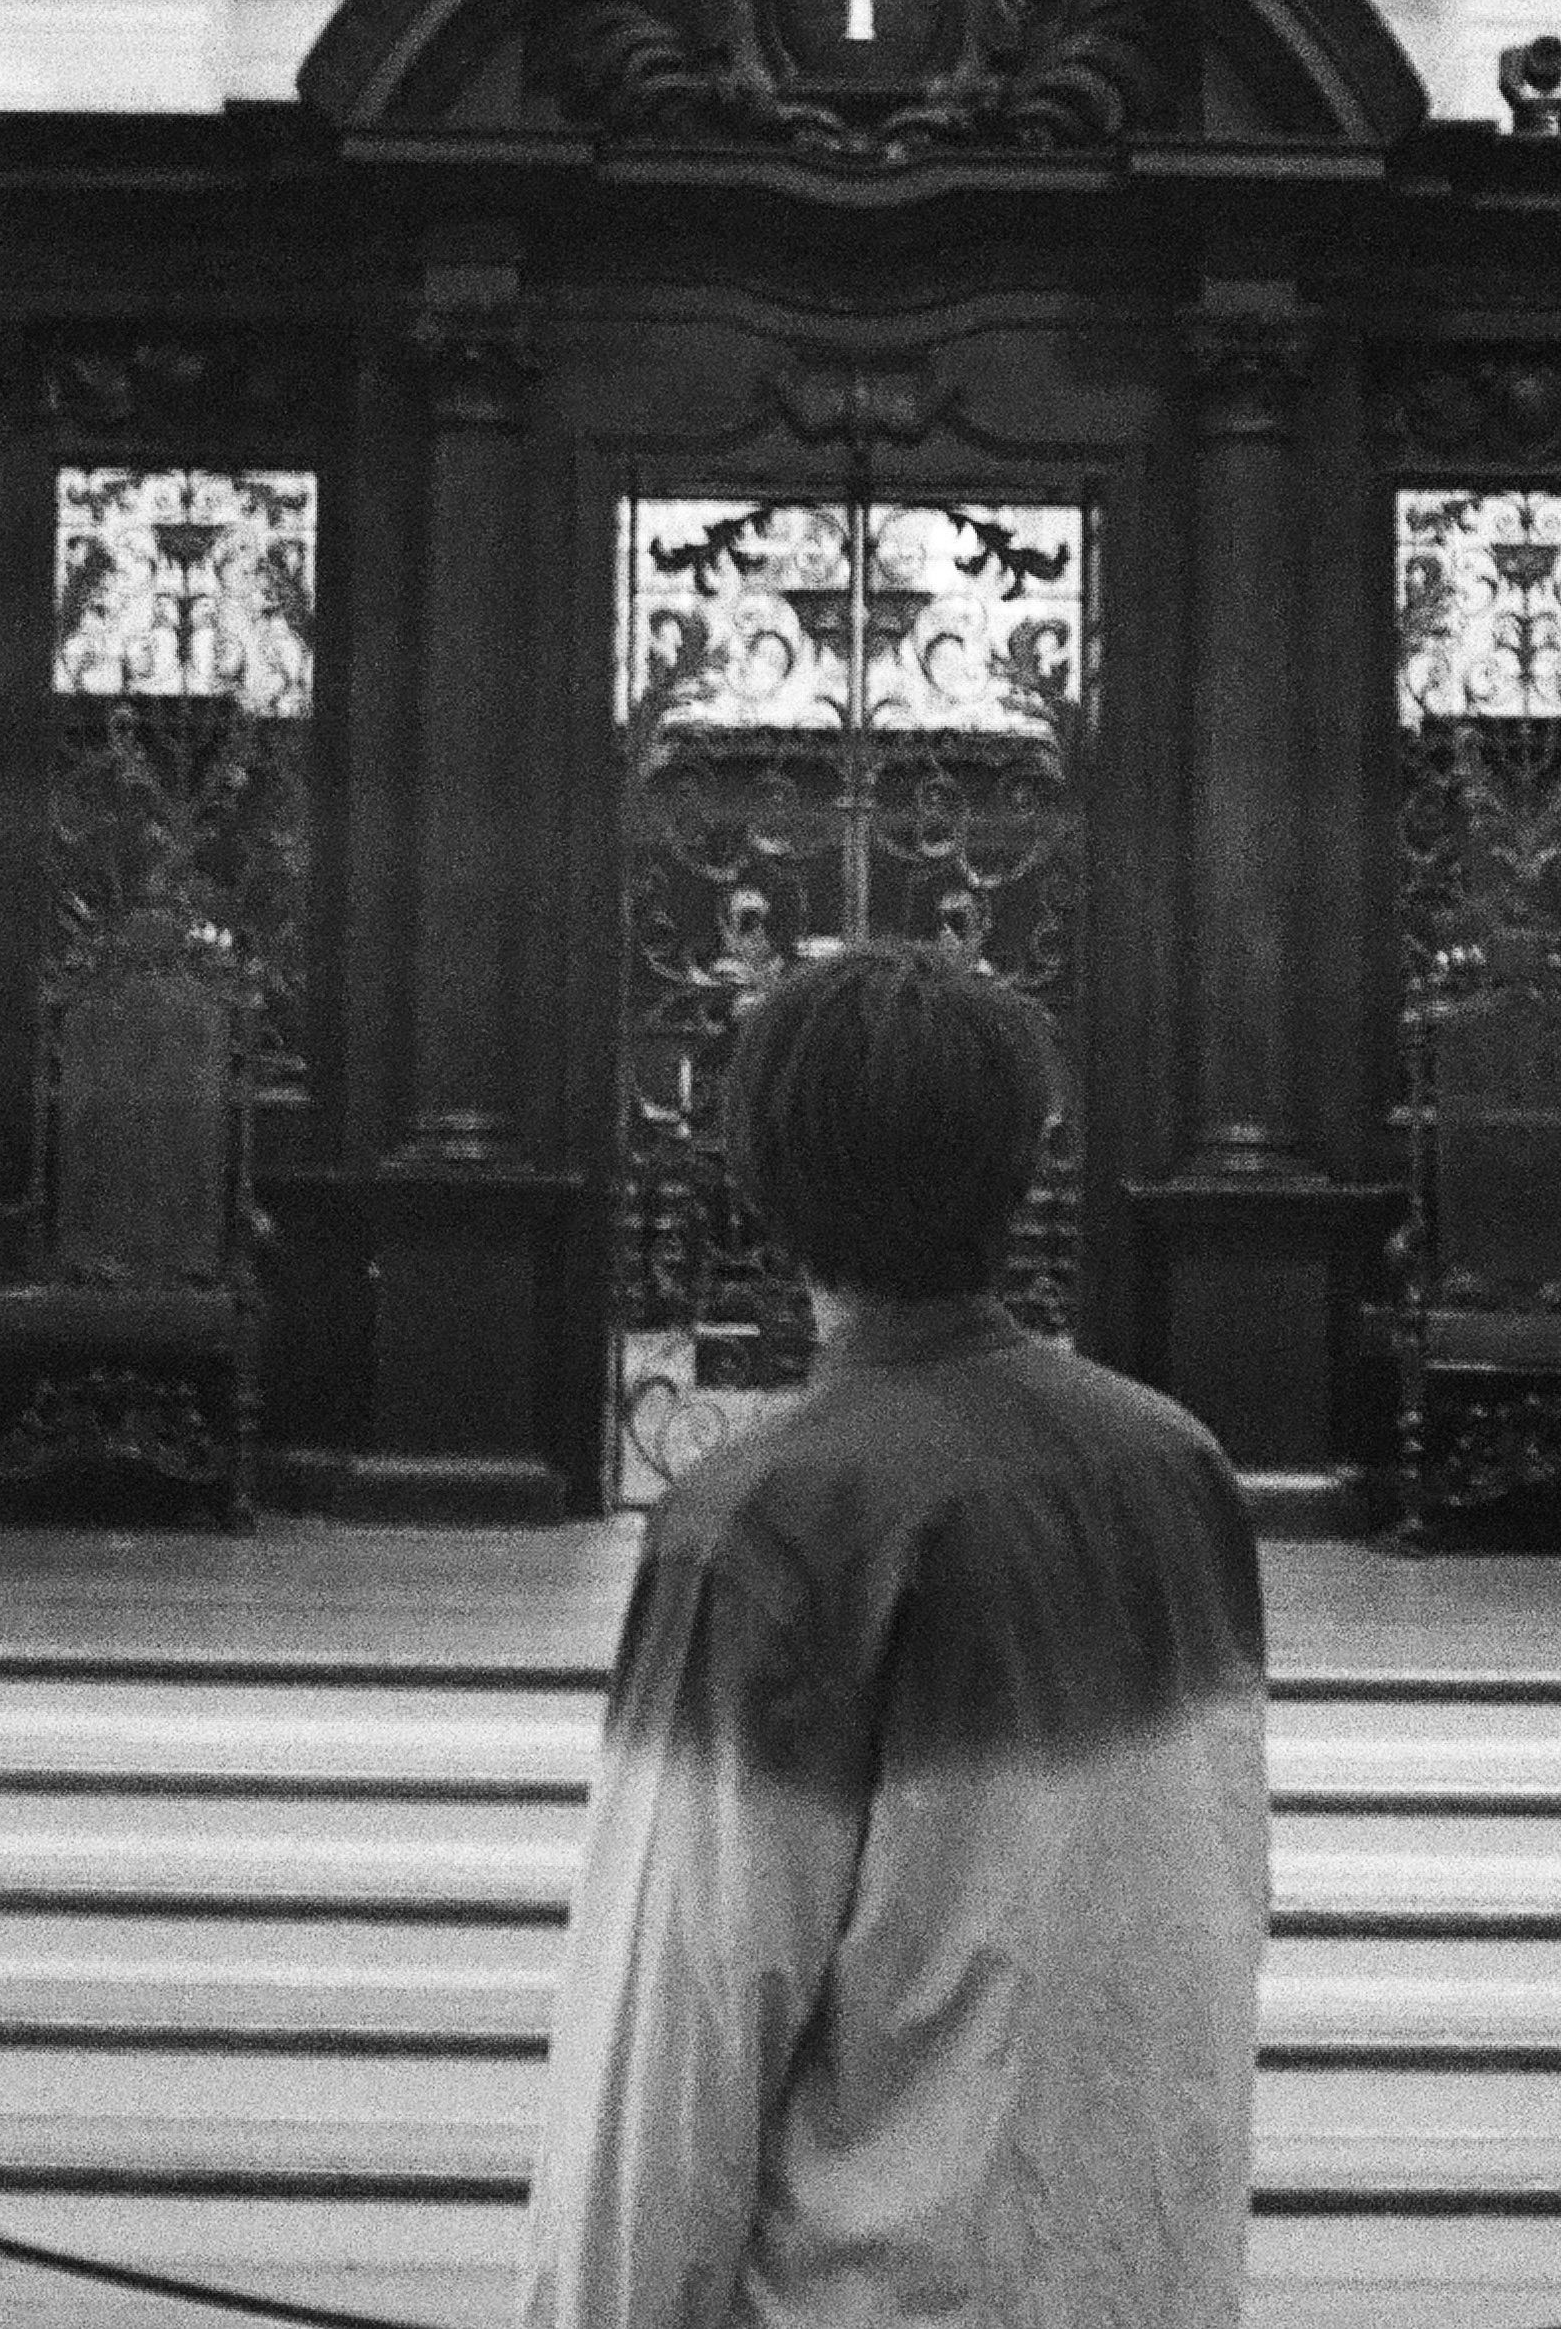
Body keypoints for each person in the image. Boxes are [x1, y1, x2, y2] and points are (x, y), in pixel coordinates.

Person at [519, 941, 1270, 2329]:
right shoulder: (1178, 1471)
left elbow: (673, 2042)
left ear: (763, 1184)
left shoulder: (767, 1527)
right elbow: (1207, 1926)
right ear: (1026, 1170)